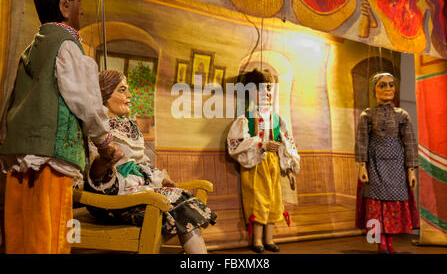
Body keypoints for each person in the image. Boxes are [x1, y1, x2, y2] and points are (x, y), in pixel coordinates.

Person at [0, 0, 123, 254]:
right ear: (65, 7)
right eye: (80, 2)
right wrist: (105, 144)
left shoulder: (31, 50)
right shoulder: (67, 46)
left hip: (20, 156)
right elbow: (87, 102)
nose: (83, 9)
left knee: (20, 232)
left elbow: (13, 102)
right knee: (51, 232)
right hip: (52, 159)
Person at [84, 70, 217, 254]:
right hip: (111, 198)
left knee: (181, 199)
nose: (129, 96)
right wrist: (105, 160)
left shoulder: (129, 125)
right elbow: (93, 173)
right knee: (176, 202)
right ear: (104, 95)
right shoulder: (97, 127)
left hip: (137, 191)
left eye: (127, 90)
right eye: (122, 90)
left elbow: (142, 162)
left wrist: (161, 179)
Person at [227, 68, 300, 253]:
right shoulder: (245, 119)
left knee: (275, 199)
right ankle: (257, 240)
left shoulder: (277, 119)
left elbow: (287, 143)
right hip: (255, 165)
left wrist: (289, 167)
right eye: (260, 89)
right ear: (249, 93)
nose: (266, 93)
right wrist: (261, 145)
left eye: (268, 89)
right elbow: (236, 143)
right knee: (258, 200)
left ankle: (269, 238)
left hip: (273, 164)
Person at [355, 72, 419, 254]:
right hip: (374, 164)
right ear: (375, 89)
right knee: (376, 205)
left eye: (391, 85)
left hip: (397, 166)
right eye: (382, 85)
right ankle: (379, 243)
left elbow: (410, 142)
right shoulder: (367, 115)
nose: (388, 89)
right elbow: (362, 142)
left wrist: (411, 170)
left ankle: (389, 243)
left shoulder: (402, 115)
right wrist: (362, 165)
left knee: (392, 206)